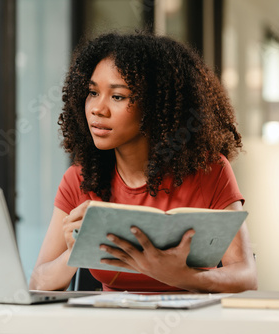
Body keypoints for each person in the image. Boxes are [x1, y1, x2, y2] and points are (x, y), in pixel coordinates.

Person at [29, 32, 257, 293]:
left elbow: (246, 277)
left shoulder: (210, 171)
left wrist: (183, 277)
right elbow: (38, 283)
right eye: (93, 92)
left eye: (117, 97)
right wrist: (74, 251)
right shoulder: (80, 179)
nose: (97, 109)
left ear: (156, 106)